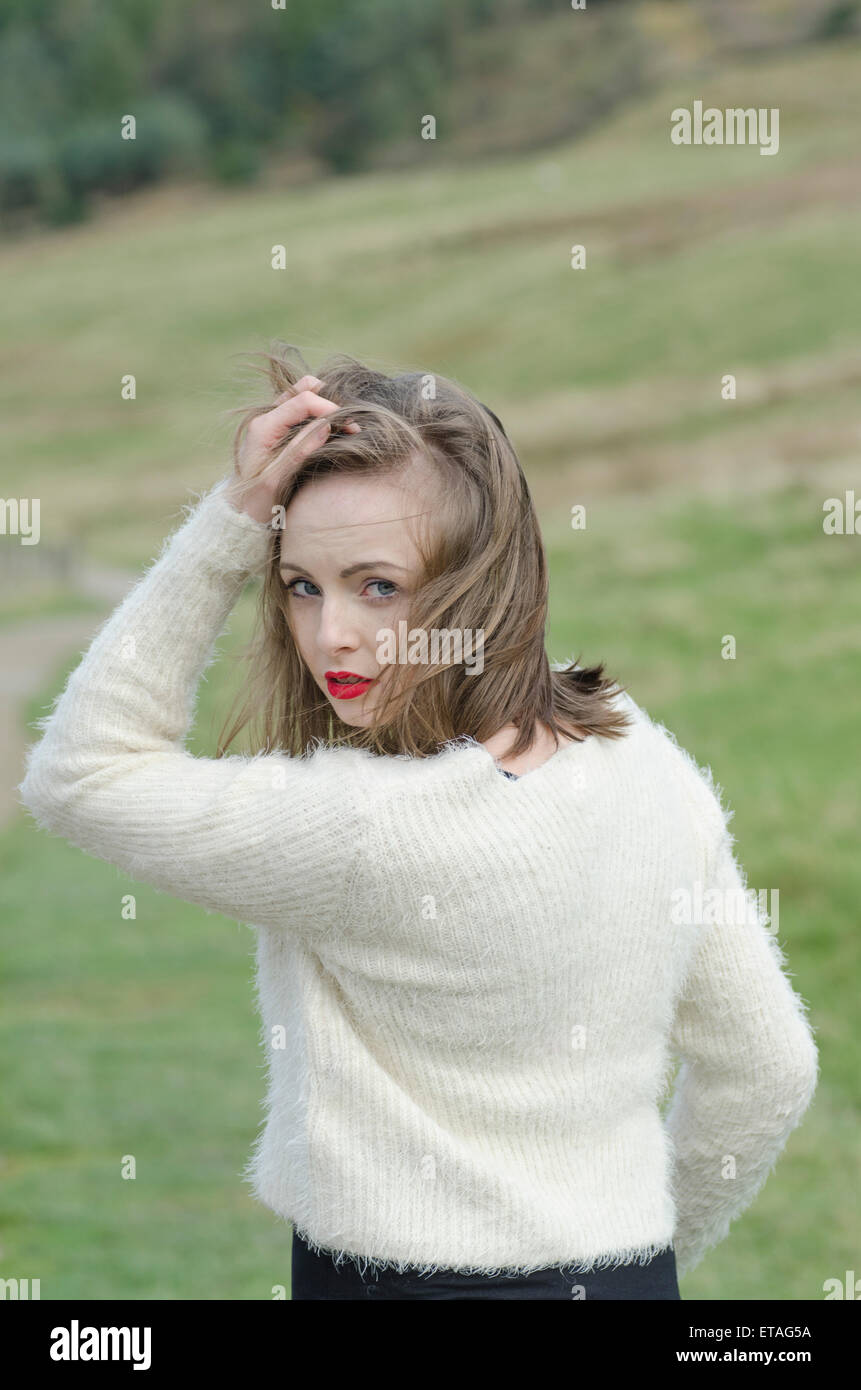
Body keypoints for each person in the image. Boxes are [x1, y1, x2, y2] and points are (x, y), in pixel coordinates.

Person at [17, 345, 819, 1301]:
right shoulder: (646, 762)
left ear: (474, 585)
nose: (330, 636)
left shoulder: (368, 831)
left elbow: (82, 770)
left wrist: (229, 523)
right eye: (301, 584)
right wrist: (641, 1254)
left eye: (379, 586)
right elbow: (768, 1068)